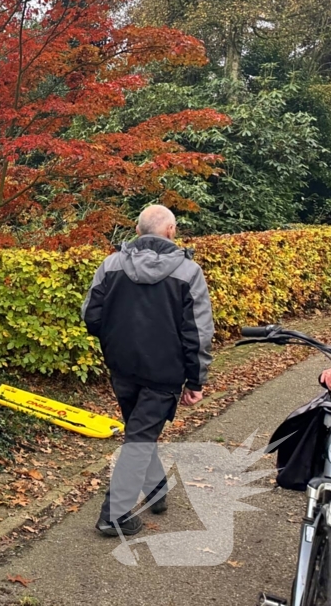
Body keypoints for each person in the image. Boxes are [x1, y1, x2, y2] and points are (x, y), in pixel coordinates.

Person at [81, 205, 213, 536]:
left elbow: (91, 316)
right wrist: (195, 380)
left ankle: (155, 491)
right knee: (140, 436)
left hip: (122, 366)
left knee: (140, 432)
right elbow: (197, 332)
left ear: (138, 232)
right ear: (172, 231)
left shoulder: (111, 264)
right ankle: (114, 515)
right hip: (164, 372)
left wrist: (115, 340)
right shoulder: (188, 272)